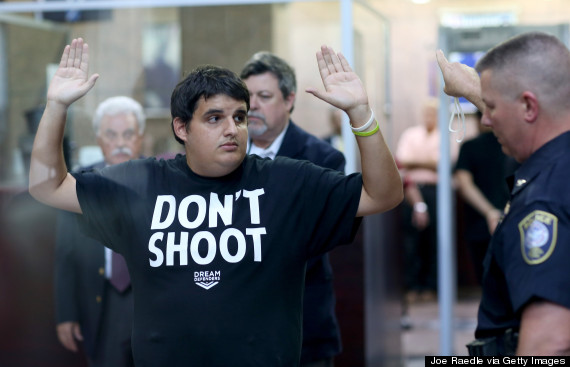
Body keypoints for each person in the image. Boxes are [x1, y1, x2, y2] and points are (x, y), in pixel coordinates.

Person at [28, 38, 402, 366]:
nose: (232, 129)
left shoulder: (287, 181)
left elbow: (383, 194)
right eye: (214, 118)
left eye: (240, 117)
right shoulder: (142, 184)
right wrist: (57, 107)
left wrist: (360, 115)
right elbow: (48, 187)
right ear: (181, 128)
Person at [437, 31, 570, 355]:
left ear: (528, 105)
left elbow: (549, 344)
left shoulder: (543, 199)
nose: (484, 118)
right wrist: (476, 89)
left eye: (491, 107)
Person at [240, 51, 345, 367]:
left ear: (288, 100)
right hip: (233, 330)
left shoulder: (321, 159)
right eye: (247, 96)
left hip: (299, 325)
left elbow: (314, 242)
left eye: (264, 96)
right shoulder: (223, 153)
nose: (253, 105)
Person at [54, 96, 146, 367]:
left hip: (149, 298)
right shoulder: (79, 185)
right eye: (111, 135)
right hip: (102, 296)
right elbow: (65, 254)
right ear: (99, 139)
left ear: (140, 138)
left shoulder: (161, 179)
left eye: (128, 134)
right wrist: (65, 314)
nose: (120, 143)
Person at [454, 110, 518, 284]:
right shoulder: (515, 145)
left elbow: (465, 185)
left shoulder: (469, 146)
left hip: (480, 222)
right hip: (512, 219)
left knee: (487, 282)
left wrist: (489, 212)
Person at [395, 98, 447, 303]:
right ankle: (413, 285)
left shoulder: (445, 136)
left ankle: (431, 287)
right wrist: (427, 163)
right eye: (426, 113)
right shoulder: (410, 135)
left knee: (435, 239)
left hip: (437, 192)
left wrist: (415, 163)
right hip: (411, 190)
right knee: (411, 239)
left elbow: (442, 164)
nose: (429, 117)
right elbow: (401, 162)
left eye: (433, 113)